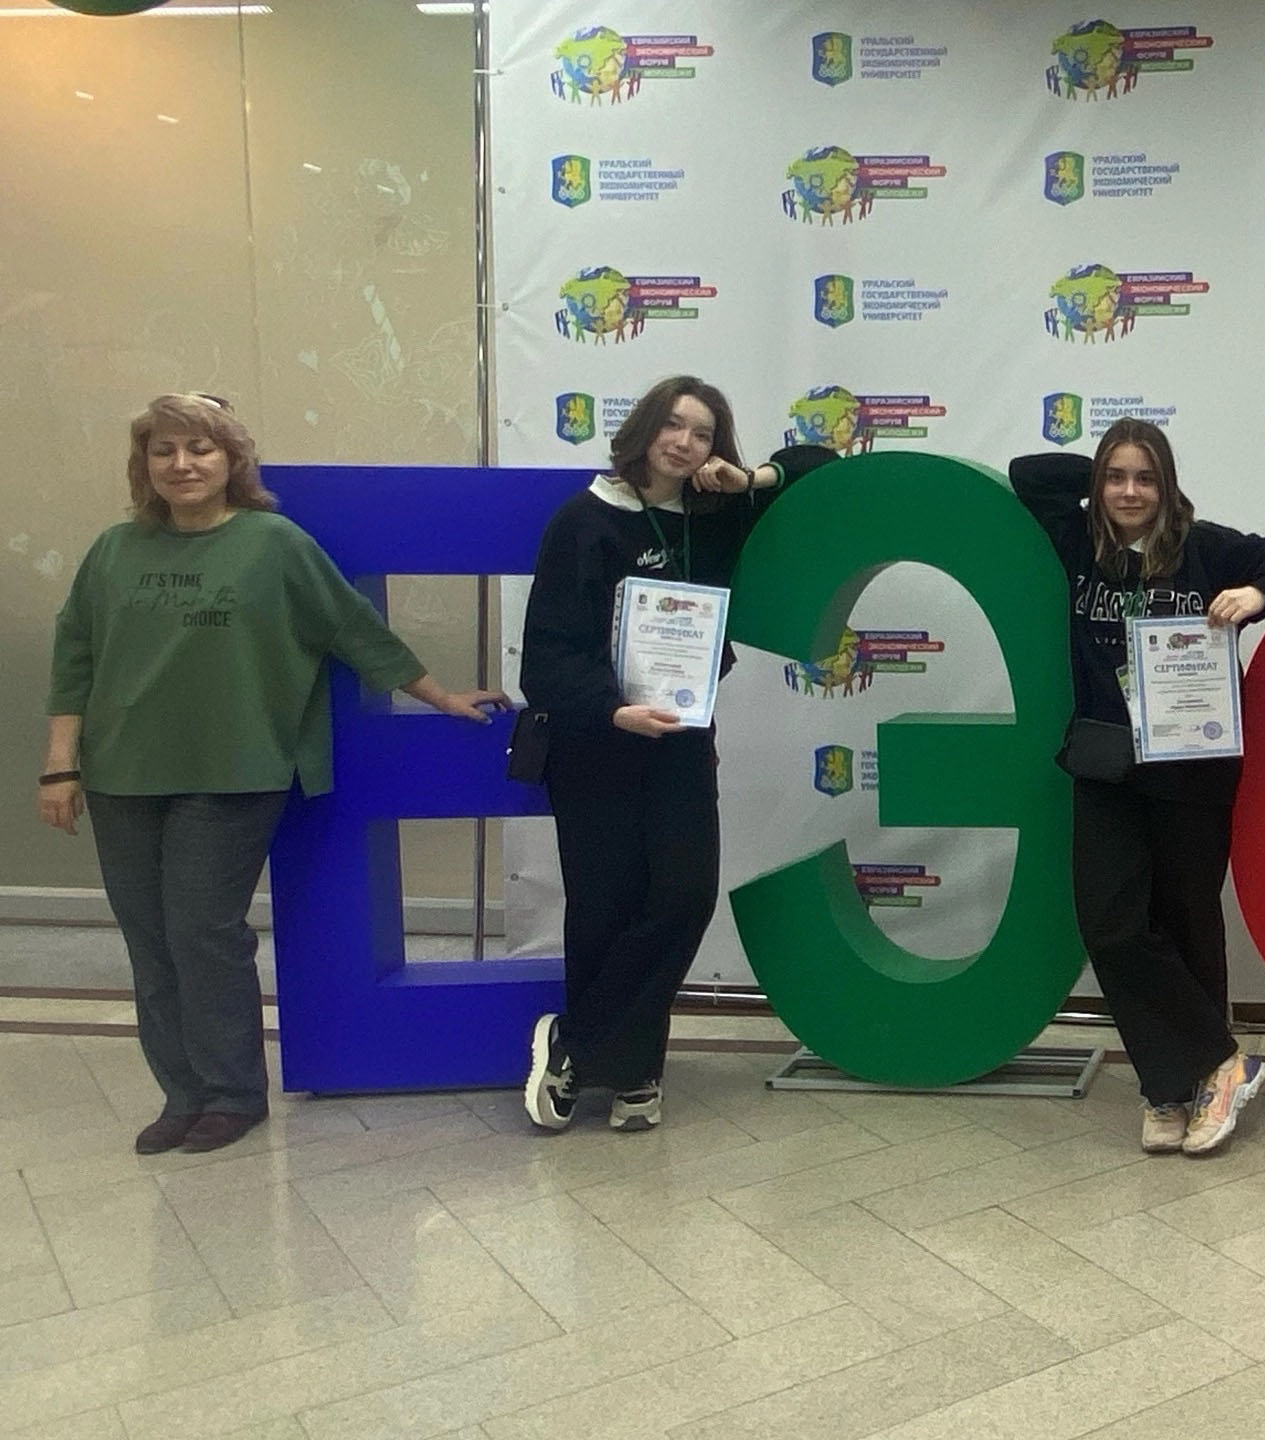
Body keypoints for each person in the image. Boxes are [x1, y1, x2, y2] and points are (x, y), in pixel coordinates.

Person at [41, 393, 506, 1156]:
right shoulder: (114, 550)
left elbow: (354, 629)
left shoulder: (275, 543)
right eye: (164, 450)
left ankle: (231, 1094)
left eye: (200, 448)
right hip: (122, 774)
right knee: (149, 940)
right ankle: (181, 1095)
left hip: (235, 771)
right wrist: (59, 766)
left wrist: (442, 696)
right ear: (143, 464)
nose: (182, 464)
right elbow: (75, 656)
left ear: (232, 460)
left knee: (201, 932)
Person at [517, 375, 837, 1133]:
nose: (685, 443)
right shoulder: (583, 521)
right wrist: (614, 710)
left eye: (702, 433)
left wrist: (751, 478)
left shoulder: (716, 516)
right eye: (673, 425)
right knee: (604, 908)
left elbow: (821, 466)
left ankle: (576, 1045)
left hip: (681, 744)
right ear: (644, 429)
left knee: (684, 897)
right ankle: (633, 1073)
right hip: (596, 745)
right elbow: (548, 656)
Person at [1009, 420, 1265, 1157]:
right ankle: (1223, 1061)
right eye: (1116, 477)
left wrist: (1255, 593)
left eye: (1146, 478)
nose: (1130, 492)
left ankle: (1174, 1091)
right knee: (1112, 924)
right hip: (1106, 766)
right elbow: (1030, 473)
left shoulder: (1204, 548)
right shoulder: (1076, 540)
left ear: (1168, 485)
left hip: (1192, 769)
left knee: (1187, 926)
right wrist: (1097, 472)